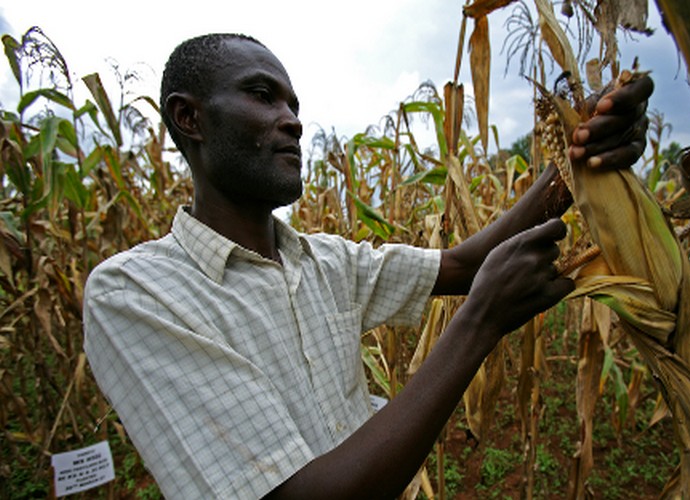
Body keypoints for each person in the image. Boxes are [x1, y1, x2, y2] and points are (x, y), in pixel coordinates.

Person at [83, 33, 652, 499]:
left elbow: (463, 264)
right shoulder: (137, 293)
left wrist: (578, 159)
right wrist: (480, 323)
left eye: (294, 106)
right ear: (189, 118)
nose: (292, 121)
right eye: (262, 95)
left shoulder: (326, 260)